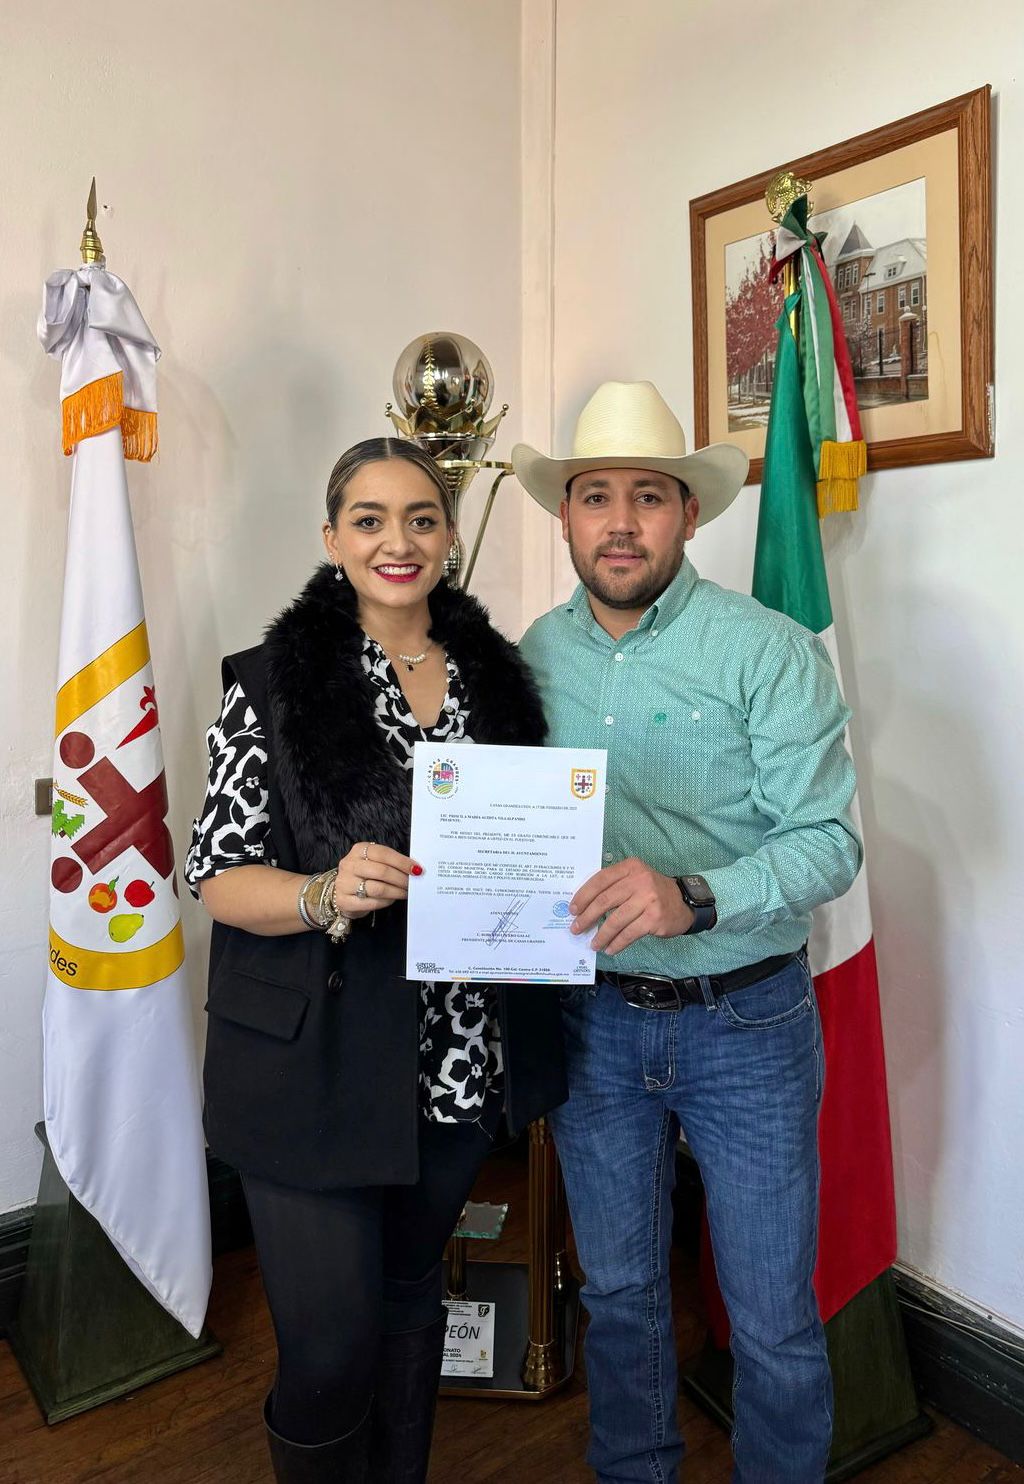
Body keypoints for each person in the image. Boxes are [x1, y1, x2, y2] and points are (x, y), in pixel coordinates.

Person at [186, 436, 566, 1484]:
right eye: (369, 519)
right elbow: (217, 874)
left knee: (407, 1302)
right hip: (312, 1062)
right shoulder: (271, 683)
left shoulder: (502, 681)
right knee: (328, 1353)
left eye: (421, 517)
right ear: (331, 538)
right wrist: (321, 894)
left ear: (448, 536)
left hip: (458, 1059)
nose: (397, 541)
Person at [513, 381, 862, 1484]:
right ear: (564, 517)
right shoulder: (531, 654)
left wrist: (695, 895)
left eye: (648, 497)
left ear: (689, 514)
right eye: (596, 497)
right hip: (594, 1023)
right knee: (619, 1295)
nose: (620, 523)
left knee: (771, 1316)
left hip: (746, 1022)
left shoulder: (766, 651)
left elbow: (829, 844)